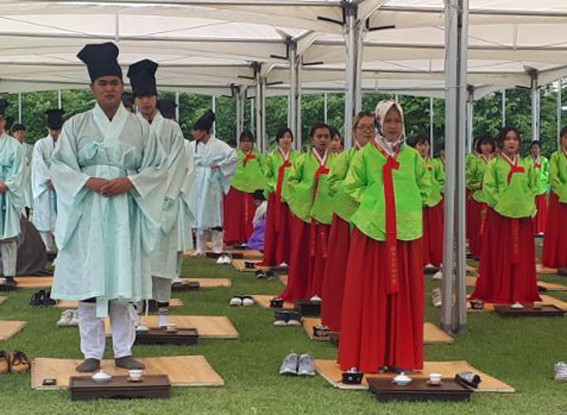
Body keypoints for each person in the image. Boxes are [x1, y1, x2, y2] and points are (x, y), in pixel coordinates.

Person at [50, 42, 167, 372]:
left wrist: (131, 182)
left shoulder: (140, 127)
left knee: (122, 282)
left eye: (114, 83)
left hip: (124, 213)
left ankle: (124, 350)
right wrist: (87, 181)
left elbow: (158, 168)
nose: (109, 88)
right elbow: (59, 167)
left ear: (122, 86)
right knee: (89, 282)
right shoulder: (75, 125)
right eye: (102, 83)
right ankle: (91, 352)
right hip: (88, 211)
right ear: (93, 88)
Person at [337, 100, 431, 373]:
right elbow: (350, 186)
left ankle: (402, 357)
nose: (393, 126)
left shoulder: (412, 156)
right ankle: (371, 354)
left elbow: (427, 187)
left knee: (406, 294)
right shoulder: (366, 155)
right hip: (373, 232)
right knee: (370, 293)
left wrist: (408, 204)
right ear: (379, 123)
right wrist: (375, 203)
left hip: (405, 233)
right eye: (388, 121)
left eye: (397, 121)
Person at [127, 58, 191, 330]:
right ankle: (136, 315)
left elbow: (178, 165)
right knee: (137, 260)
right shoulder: (130, 126)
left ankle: (163, 315)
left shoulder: (172, 129)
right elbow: (128, 164)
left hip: (165, 202)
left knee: (163, 261)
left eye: (149, 96)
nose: (146, 101)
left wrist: (166, 197)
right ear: (135, 100)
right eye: (141, 97)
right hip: (138, 202)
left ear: (156, 96)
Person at [471, 126, 541, 305]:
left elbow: (534, 186)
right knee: (500, 253)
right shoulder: (494, 164)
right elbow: (489, 188)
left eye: (515, 139)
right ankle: (500, 289)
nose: (511, 142)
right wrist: (502, 204)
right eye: (508, 139)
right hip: (499, 216)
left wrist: (526, 203)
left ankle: (521, 290)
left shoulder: (526, 164)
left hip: (523, 216)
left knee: (522, 255)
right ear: (501, 142)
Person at [320, 111, 374, 333]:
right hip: (347, 218)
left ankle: (370, 318)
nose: (368, 132)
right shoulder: (345, 157)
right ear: (354, 132)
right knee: (343, 267)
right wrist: (359, 193)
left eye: (372, 127)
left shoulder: (381, 157)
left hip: (374, 219)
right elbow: (332, 183)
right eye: (363, 127)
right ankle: (341, 317)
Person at [280, 123, 336, 302]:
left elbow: (340, 184)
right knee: (301, 254)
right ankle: (301, 290)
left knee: (327, 255)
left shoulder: (337, 161)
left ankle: (323, 291)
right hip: (306, 216)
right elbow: (290, 182)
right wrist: (312, 183)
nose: (323, 140)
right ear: (312, 139)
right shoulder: (302, 160)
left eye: (326, 137)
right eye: (319, 136)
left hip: (328, 216)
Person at [188, 110, 237, 255]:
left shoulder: (219, 145)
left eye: (196, 130)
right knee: (199, 213)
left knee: (215, 214)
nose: (194, 133)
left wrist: (220, 165)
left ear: (203, 132)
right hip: (198, 182)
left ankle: (217, 246)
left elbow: (233, 157)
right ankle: (200, 248)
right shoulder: (192, 146)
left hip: (212, 182)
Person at [260, 127, 299, 267]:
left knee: (292, 227)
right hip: (276, 197)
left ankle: (291, 258)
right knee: (277, 226)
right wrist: (275, 187)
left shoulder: (298, 157)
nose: (286, 140)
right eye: (283, 137)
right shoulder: (271, 157)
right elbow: (267, 175)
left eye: (288, 137)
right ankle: (277, 257)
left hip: (293, 197)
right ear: (278, 140)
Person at [0, 100, 25, 290]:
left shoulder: (14, 146)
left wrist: (6, 184)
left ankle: (9, 274)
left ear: (3, 121)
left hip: (7, 195)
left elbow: (19, 171)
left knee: (8, 236)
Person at [223, 131, 265, 246]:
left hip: (254, 188)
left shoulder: (258, 155)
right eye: (244, 141)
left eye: (249, 141)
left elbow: (265, 168)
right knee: (236, 213)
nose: (246, 144)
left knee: (253, 214)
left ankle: (252, 236)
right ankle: (235, 236)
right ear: (240, 143)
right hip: (237, 187)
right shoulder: (235, 155)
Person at [31, 109, 64, 253]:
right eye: (52, 130)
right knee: (44, 218)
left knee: (62, 219)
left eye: (57, 130)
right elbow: (38, 164)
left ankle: (62, 250)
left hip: (62, 186)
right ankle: (46, 249)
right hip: (45, 187)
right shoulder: (40, 144)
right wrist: (48, 180)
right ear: (48, 129)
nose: (54, 133)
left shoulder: (66, 143)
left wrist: (61, 181)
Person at [414, 134, 445, 268]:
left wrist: (436, 190)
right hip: (418, 202)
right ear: (415, 147)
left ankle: (437, 258)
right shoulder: (412, 163)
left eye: (426, 145)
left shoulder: (435, 163)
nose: (423, 148)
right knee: (422, 232)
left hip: (434, 201)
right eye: (420, 144)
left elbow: (442, 180)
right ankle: (423, 259)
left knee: (436, 231)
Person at [467, 135, 495, 258]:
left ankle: (490, 251)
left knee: (491, 226)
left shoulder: (496, 161)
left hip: (493, 198)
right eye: (484, 144)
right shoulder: (476, 161)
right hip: (479, 197)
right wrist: (479, 184)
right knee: (478, 226)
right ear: (479, 146)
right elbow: (468, 179)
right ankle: (477, 251)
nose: (487, 147)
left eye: (489, 144)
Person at [543, 127, 567, 268]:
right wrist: (563, 192)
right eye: (566, 138)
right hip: (559, 198)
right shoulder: (555, 156)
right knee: (559, 229)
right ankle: (559, 259)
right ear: (560, 140)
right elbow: (553, 177)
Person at [524, 141, 549, 235]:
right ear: (530, 149)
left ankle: (541, 229)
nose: (534, 150)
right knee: (530, 209)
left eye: (536, 148)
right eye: (533, 148)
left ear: (540, 150)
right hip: (530, 189)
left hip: (541, 188)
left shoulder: (544, 160)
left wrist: (537, 174)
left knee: (542, 210)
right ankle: (530, 229)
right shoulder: (526, 161)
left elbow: (547, 174)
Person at [12, 124, 33, 216]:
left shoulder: (30, 148)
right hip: (14, 182)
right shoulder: (10, 148)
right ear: (13, 134)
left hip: (26, 181)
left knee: (27, 202)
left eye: (22, 132)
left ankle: (28, 219)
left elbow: (32, 165)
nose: (20, 135)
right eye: (18, 133)